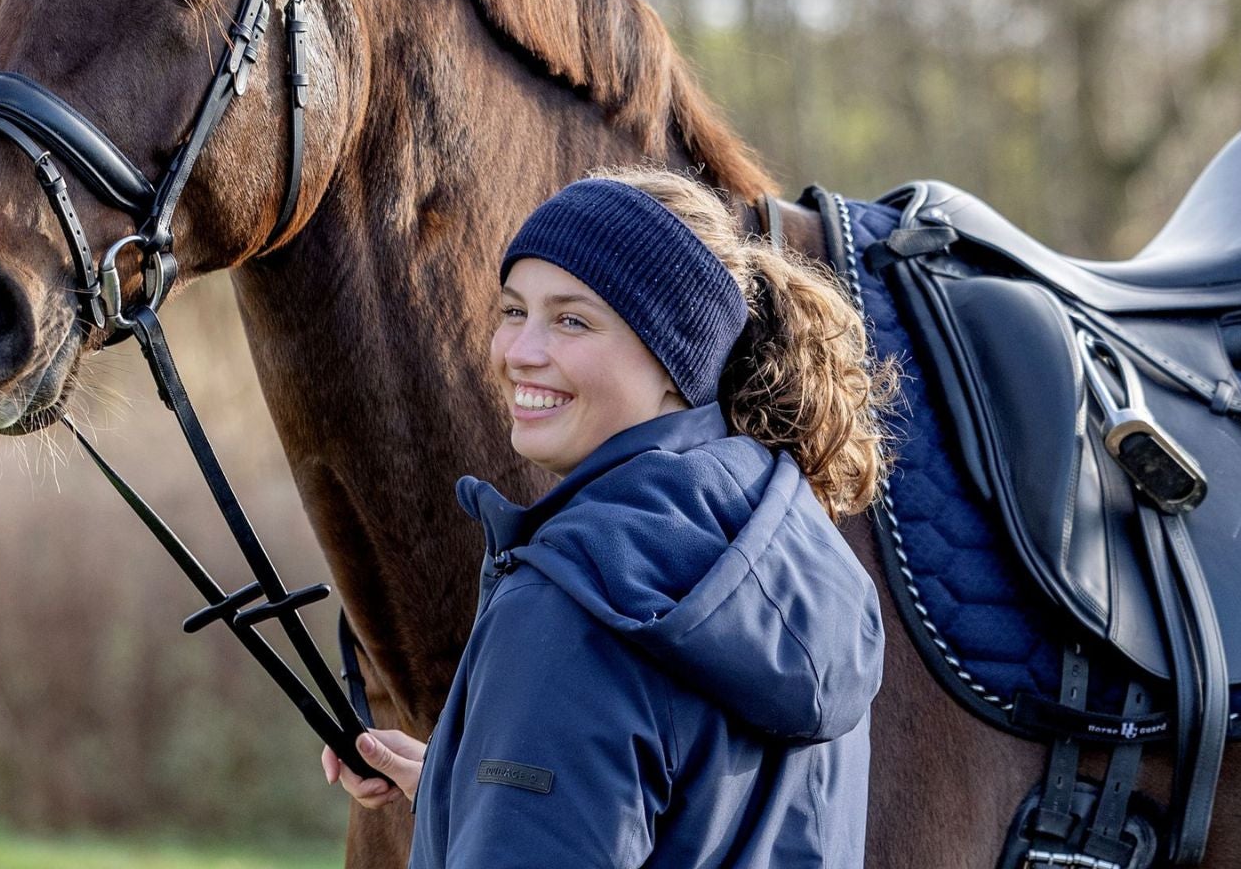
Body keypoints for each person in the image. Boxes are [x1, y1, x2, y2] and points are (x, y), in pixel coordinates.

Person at [320, 168, 892, 867]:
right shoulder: (794, 551)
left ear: (673, 352)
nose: (518, 353)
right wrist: (462, 784)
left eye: (571, 320)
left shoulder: (569, 609)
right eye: (512, 311)